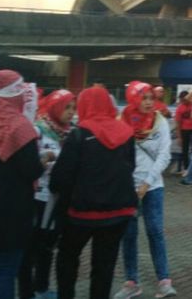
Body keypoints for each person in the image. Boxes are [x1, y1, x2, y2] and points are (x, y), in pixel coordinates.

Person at [51, 86, 137, 299]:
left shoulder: (79, 135)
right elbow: (131, 166)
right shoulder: (126, 133)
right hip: (119, 211)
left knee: (68, 258)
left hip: (81, 213)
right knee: (104, 266)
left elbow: (61, 177)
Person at [0, 70, 43, 299]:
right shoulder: (19, 127)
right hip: (9, 217)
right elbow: (31, 170)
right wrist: (44, 161)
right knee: (2, 272)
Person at [115, 82, 176, 299]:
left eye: (151, 97)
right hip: (127, 188)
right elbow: (116, 155)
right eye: (144, 98)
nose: (149, 102)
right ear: (133, 98)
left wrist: (147, 183)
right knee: (129, 235)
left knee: (155, 232)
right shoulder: (120, 122)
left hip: (153, 187)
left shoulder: (160, 122)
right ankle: (132, 282)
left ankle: (164, 281)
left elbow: (164, 155)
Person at [19, 89, 75, 299]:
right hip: (38, 198)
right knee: (31, 247)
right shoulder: (38, 130)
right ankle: (26, 291)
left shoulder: (71, 133)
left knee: (49, 245)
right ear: (54, 107)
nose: (71, 112)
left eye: (73, 107)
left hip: (58, 199)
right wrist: (46, 157)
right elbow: (30, 163)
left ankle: (42, 287)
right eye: (66, 107)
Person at [173, 91, 192, 174]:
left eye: (185, 99)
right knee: (184, 150)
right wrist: (179, 137)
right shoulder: (179, 108)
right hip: (184, 130)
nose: (184, 101)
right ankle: (186, 168)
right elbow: (178, 123)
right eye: (183, 99)